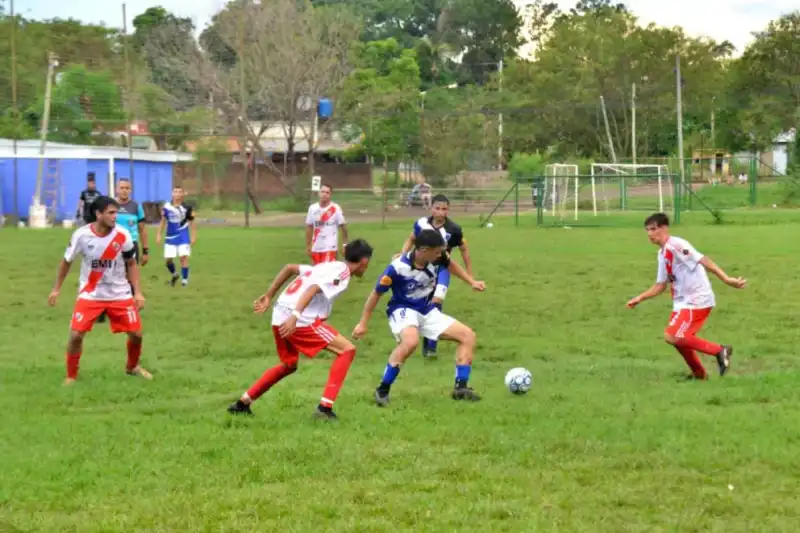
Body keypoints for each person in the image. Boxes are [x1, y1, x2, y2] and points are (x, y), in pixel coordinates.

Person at [228, 239, 375, 420]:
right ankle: (325, 408)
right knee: (347, 350)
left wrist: (269, 295)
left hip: (279, 314)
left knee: (289, 364)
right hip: (298, 319)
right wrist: (295, 317)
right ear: (364, 262)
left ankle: (242, 404)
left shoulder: (329, 266)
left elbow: (289, 268)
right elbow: (312, 289)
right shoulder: (342, 274)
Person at [353, 229, 486, 406]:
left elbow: (450, 264)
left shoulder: (438, 257)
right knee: (410, 342)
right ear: (423, 250)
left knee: (468, 336)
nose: (441, 255)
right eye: (437, 251)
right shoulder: (397, 268)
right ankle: (383, 389)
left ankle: (460, 388)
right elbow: (375, 294)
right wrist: (363, 323)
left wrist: (472, 282)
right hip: (403, 310)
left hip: (427, 310)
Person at [626, 212, 747, 380]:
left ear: (665, 228)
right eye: (647, 230)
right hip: (682, 303)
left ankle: (719, 350)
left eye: (653, 229)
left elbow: (703, 259)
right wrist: (639, 298)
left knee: (673, 336)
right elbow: (661, 285)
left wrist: (726, 279)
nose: (650, 234)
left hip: (697, 299)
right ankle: (700, 375)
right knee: (678, 339)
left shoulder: (676, 245)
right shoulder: (662, 254)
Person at [48, 196, 151, 385]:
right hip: (91, 293)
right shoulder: (81, 235)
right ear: (98, 214)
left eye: (116, 212)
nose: (115, 217)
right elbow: (66, 262)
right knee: (76, 335)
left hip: (120, 293)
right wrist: (56, 289)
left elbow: (131, 264)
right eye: (111, 213)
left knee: (136, 334)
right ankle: (71, 376)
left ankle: (132, 367)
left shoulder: (123, 235)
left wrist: (137, 292)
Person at [398, 194, 474, 358]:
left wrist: (469, 274)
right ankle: (408, 330)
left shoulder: (454, 229)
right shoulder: (421, 224)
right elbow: (411, 238)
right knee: (419, 301)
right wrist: (402, 255)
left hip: (442, 269)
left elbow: (464, 249)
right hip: (420, 269)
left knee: (437, 300)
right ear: (431, 208)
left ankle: (430, 346)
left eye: (444, 209)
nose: (440, 212)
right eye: (437, 208)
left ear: (448, 210)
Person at [156, 186, 195, 287]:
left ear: (183, 194)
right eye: (175, 191)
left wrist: (193, 236)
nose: (177, 194)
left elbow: (191, 222)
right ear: (172, 193)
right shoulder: (167, 207)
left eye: (179, 192)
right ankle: (175, 274)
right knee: (168, 259)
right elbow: (163, 221)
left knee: (183, 257)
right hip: (170, 236)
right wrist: (159, 234)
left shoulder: (188, 207)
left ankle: (184, 281)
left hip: (183, 235)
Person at [305, 183, 348, 265]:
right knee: (316, 272)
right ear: (319, 193)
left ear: (331, 195)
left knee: (329, 273)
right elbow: (309, 227)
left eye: (327, 192)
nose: (324, 194)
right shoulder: (312, 208)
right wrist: (308, 245)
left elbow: (343, 227)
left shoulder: (335, 208)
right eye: (322, 192)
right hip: (316, 247)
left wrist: (345, 245)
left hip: (330, 247)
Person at [114, 179, 149, 267]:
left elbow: (142, 230)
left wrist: (145, 252)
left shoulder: (136, 206)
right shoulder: (111, 205)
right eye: (121, 188)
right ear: (116, 189)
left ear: (130, 190)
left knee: (131, 276)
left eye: (127, 188)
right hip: (113, 244)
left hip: (131, 244)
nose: (124, 190)